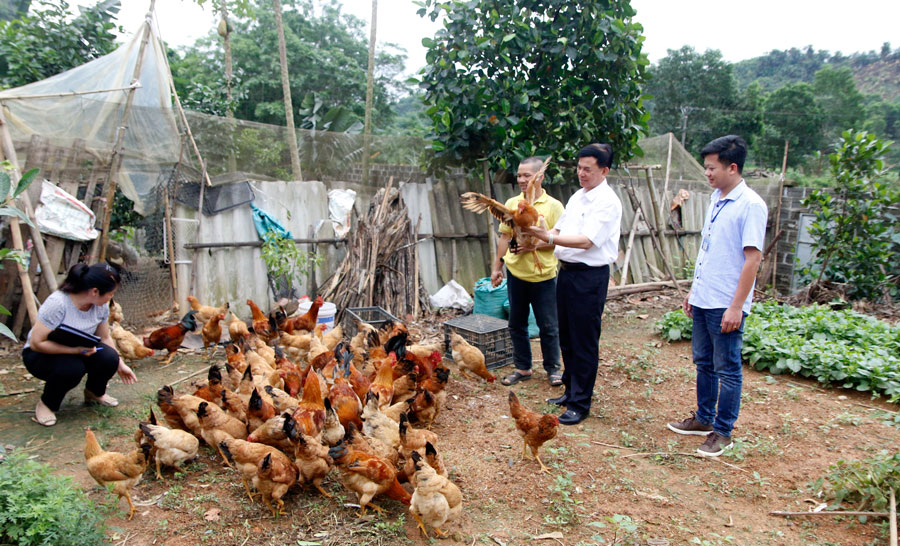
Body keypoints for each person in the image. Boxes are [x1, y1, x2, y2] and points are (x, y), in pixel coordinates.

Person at [666, 135, 767, 457]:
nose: (707, 174)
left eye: (711, 168)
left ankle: (723, 431)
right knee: (704, 363)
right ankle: (704, 418)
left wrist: (736, 307)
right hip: (706, 297)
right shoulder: (716, 199)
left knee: (728, 367)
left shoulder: (750, 204)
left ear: (732, 167)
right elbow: (709, 252)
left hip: (726, 302)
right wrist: (695, 291)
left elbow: (752, 259)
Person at [526, 143, 622, 425]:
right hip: (566, 273)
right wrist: (544, 233)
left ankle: (580, 403)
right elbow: (560, 229)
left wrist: (549, 238)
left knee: (584, 340)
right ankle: (570, 390)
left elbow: (586, 240)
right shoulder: (579, 196)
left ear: (604, 171)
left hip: (589, 277)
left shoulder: (607, 202)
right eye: (579, 168)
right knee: (566, 335)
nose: (581, 173)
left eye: (588, 169)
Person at [23, 263, 138, 426]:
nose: (111, 298)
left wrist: (120, 364)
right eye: (110, 293)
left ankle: (94, 393)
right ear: (95, 291)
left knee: (109, 357)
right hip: (41, 354)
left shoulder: (101, 306)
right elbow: (36, 343)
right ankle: (47, 404)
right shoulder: (58, 303)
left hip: (80, 349)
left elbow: (105, 338)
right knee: (72, 369)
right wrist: (74, 350)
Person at [491, 157, 565, 387]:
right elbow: (505, 236)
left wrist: (535, 245)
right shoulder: (512, 202)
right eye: (519, 175)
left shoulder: (554, 206)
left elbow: (560, 240)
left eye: (527, 175)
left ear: (539, 177)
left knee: (549, 325)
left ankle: (553, 369)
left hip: (544, 276)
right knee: (516, 323)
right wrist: (497, 266)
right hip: (517, 274)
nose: (522, 180)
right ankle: (522, 367)